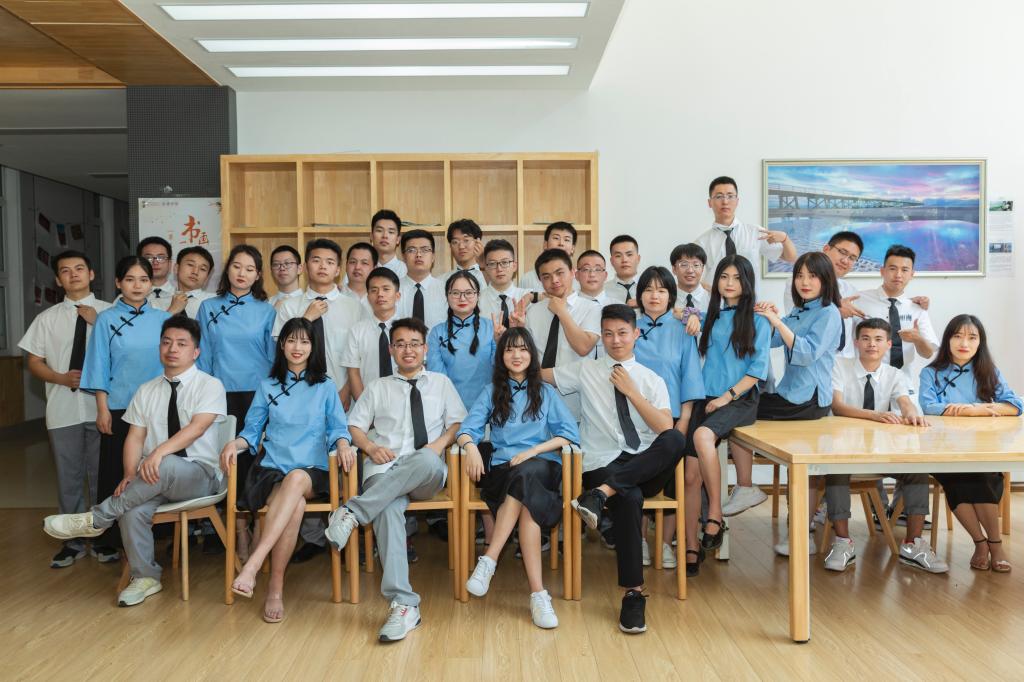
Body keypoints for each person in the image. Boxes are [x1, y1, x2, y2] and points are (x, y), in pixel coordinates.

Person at [44, 316, 226, 607]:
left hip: (199, 476)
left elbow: (197, 428)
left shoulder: (210, 385)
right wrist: (130, 473)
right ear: (159, 348)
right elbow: (135, 437)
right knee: (132, 508)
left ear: (195, 352)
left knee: (164, 463)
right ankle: (145, 577)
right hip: (153, 478)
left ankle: (97, 518)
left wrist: (158, 453)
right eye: (166, 342)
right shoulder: (146, 390)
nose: (172, 349)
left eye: (181, 344)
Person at [324, 318, 466, 643]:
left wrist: (438, 445)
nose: (408, 350)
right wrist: (370, 447)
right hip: (384, 470)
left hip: (425, 471)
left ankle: (353, 512)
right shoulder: (377, 387)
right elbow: (354, 426)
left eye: (414, 344)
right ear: (391, 350)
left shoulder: (441, 383)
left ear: (425, 349)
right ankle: (404, 605)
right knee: (387, 508)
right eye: (400, 344)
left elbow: (458, 422)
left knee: (426, 458)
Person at [549, 304, 684, 634]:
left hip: (644, 463)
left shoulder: (651, 379)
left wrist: (632, 392)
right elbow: (539, 374)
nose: (615, 340)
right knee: (629, 496)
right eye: (608, 334)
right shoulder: (587, 369)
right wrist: (507, 345)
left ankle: (600, 495)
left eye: (622, 333)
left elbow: (664, 426)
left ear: (636, 334)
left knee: (676, 439)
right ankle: (633, 594)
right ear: (602, 336)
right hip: (602, 461)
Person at [222, 317, 355, 622]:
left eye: (305, 341)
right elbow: (252, 431)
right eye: (292, 340)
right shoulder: (267, 386)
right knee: (295, 507)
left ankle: (253, 564)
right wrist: (235, 443)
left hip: (312, 470)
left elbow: (338, 427)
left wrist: (343, 444)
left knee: (296, 479)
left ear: (313, 347)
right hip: (271, 471)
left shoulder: (325, 386)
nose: (298, 347)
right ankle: (275, 588)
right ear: (282, 345)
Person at [460, 327, 579, 628]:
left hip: (542, 466)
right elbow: (466, 430)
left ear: (531, 355)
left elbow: (569, 434)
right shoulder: (491, 391)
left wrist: (533, 450)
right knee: (527, 500)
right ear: (501, 356)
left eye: (523, 349)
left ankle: (490, 559)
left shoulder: (546, 392)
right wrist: (471, 447)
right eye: (510, 349)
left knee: (528, 475)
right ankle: (539, 595)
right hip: (505, 471)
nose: (517, 355)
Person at [819, 318, 945, 572]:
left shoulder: (894, 374)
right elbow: (838, 406)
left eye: (878, 339)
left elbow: (905, 401)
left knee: (917, 470)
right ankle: (843, 542)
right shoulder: (839, 366)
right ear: (856, 342)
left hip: (880, 451)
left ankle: (913, 544)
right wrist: (875, 415)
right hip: (845, 450)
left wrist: (912, 413)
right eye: (865, 338)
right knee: (836, 472)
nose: (871, 344)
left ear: (888, 344)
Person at [742, 253, 842, 550]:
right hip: (791, 394)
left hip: (808, 399)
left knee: (739, 407)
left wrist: (777, 322)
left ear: (826, 280)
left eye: (812, 276)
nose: (805, 282)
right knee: (740, 405)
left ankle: (747, 488)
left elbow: (807, 353)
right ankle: (750, 490)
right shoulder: (800, 310)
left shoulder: (829, 312)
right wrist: (769, 318)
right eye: (800, 276)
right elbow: (773, 341)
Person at [20, 250, 112, 568]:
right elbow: (34, 361)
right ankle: (71, 542)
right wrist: (60, 377)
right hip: (64, 409)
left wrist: (99, 323)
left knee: (102, 476)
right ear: (58, 280)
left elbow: (124, 351)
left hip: (102, 408)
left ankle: (103, 537)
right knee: (68, 477)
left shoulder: (110, 312)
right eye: (65, 271)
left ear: (91, 274)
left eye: (79, 268)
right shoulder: (46, 319)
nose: (73, 274)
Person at [681, 255, 770, 576]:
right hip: (705, 397)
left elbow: (757, 371)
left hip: (739, 398)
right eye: (724, 277)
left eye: (736, 278)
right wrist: (691, 316)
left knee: (703, 435)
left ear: (747, 283)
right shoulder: (712, 316)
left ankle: (715, 514)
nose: (729, 283)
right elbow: (683, 313)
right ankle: (691, 545)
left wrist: (726, 397)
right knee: (690, 477)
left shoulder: (759, 319)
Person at [81, 256, 172, 561]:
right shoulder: (105, 319)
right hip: (119, 406)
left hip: (157, 407)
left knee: (155, 470)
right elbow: (98, 365)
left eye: (144, 280)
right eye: (130, 279)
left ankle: (158, 533)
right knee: (116, 471)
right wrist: (102, 408)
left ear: (151, 284)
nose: (137, 286)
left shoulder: (163, 320)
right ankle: (108, 538)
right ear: (118, 283)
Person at [921, 315, 1023, 573]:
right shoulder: (931, 372)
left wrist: (974, 409)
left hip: (983, 448)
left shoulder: (989, 372)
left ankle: (993, 545)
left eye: (971, 337)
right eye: (957, 336)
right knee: (958, 478)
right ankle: (983, 543)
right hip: (944, 449)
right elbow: (928, 406)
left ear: (980, 342)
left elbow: (1015, 405)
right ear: (947, 340)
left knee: (982, 475)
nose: (964, 343)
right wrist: (976, 410)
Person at [197, 244, 277, 559]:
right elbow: (203, 355)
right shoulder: (208, 307)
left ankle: (259, 529)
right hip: (219, 395)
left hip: (258, 396)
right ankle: (239, 533)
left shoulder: (267, 310)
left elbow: (273, 359)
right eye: (237, 266)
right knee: (227, 464)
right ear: (227, 269)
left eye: (249, 269)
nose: (242, 273)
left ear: (258, 275)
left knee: (257, 464)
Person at [632, 266, 704, 568]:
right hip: (634, 418)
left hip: (672, 418)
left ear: (671, 296)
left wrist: (684, 420)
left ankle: (664, 543)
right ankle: (638, 541)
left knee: (674, 482)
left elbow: (690, 376)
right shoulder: (630, 328)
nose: (654, 296)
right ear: (639, 295)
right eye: (648, 289)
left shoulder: (683, 329)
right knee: (637, 478)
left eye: (661, 290)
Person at [514, 249, 600, 420]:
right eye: (546, 277)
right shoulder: (534, 312)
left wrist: (562, 312)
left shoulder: (591, 308)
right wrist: (516, 330)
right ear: (540, 281)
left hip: (577, 403)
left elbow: (583, 347)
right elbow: (527, 357)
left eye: (560, 273)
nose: (554, 280)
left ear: (573, 273)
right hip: (537, 401)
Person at [274, 238, 361, 397]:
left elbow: (359, 355)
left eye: (330, 262)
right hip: (298, 392)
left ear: (337, 270)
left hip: (342, 391)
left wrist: (348, 389)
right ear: (306, 267)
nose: (322, 266)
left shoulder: (354, 308)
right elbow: (282, 350)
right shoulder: (289, 306)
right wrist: (306, 319)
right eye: (316, 260)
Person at [852, 244, 938, 383]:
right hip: (863, 380)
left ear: (912, 274)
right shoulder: (859, 300)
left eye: (904, 270)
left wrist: (918, 339)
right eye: (893, 268)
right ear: (882, 271)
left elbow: (928, 354)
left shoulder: (917, 309)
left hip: (902, 381)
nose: (898, 275)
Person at [694, 176, 796, 292]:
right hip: (715, 302)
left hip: (750, 301)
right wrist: (710, 290)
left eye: (730, 196)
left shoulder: (755, 232)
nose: (725, 201)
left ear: (737, 201)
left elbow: (790, 257)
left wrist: (785, 239)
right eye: (719, 196)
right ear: (710, 202)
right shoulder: (701, 242)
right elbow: (689, 277)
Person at [427, 271, 496, 410]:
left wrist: (501, 342)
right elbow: (437, 378)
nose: (462, 298)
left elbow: (501, 370)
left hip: (489, 406)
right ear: (447, 296)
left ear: (478, 295)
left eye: (469, 293)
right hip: (450, 409)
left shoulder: (493, 328)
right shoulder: (437, 332)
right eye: (455, 293)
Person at [342, 267, 402, 402]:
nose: (380, 294)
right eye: (374, 290)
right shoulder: (357, 331)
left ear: (397, 295)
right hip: (367, 402)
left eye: (386, 289)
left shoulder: (409, 329)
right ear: (368, 297)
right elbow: (353, 372)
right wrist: (365, 407)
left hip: (403, 403)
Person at [396, 229, 447, 330]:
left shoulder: (446, 290)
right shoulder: (393, 290)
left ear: (433, 257)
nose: (418, 255)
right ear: (403, 257)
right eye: (412, 250)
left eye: (425, 250)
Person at [478, 239, 528, 328]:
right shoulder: (477, 300)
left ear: (514, 266)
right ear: (486, 268)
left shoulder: (526, 296)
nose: (499, 269)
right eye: (492, 264)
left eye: (504, 262)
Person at [519, 221, 579, 293]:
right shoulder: (528, 279)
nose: (561, 243)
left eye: (566, 240)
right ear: (545, 244)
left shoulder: (581, 278)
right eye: (556, 238)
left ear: (573, 248)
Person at [162, 246, 215, 318]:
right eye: (190, 265)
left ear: (207, 277)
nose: (195, 272)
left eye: (202, 269)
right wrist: (172, 311)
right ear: (176, 268)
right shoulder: (156, 303)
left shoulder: (216, 301)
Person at [670, 243, 709, 335]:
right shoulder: (666, 300)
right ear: (674, 269)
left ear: (702, 269)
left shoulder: (714, 299)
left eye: (696, 265)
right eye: (684, 265)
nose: (690, 270)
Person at [441, 219, 485, 289]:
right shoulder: (441, 281)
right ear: (450, 247)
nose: (461, 246)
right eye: (455, 242)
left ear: (478, 242)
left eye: (466, 240)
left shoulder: (490, 279)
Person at [339, 241, 379, 317]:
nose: (357, 267)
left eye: (364, 263)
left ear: (375, 268)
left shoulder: (381, 299)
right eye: (353, 262)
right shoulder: (335, 296)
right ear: (346, 265)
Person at [604, 235, 641, 308]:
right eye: (618, 256)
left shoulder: (651, 289)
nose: (624, 260)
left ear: (638, 258)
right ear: (611, 261)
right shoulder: (602, 291)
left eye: (629, 255)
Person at [137, 237, 174, 305]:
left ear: (170, 263)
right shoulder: (127, 298)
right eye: (149, 258)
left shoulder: (182, 295)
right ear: (138, 263)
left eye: (161, 258)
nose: (155, 262)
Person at [371, 209, 407, 278]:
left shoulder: (407, 271)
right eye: (379, 230)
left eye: (391, 232)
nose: (385, 236)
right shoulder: (361, 270)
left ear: (398, 239)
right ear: (371, 236)